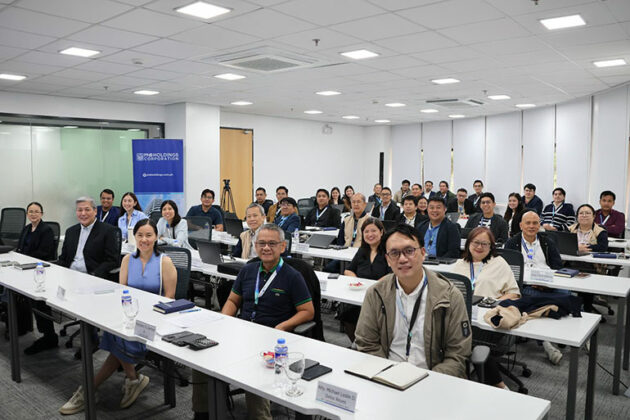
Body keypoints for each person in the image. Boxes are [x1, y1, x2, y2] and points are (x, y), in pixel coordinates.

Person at [194, 224, 314, 420]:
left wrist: (283, 327)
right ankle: (203, 413)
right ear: (255, 246)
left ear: (283, 246)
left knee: (255, 374)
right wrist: (223, 321)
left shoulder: (293, 276)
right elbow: (233, 301)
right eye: (261, 243)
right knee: (200, 358)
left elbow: (307, 312)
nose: (266, 248)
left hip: (272, 340)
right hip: (242, 334)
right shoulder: (248, 270)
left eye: (272, 243)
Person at [59, 219, 177, 415]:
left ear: (156, 237)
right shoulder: (127, 260)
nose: (144, 239)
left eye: (149, 235)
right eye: (140, 235)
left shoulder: (164, 262)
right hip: (130, 317)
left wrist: (144, 317)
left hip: (153, 321)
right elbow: (123, 294)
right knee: (114, 332)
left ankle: (89, 388)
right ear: (134, 237)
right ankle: (132, 379)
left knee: (117, 339)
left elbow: (169, 299)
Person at [355, 224, 472, 378]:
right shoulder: (376, 294)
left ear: (423, 253)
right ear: (388, 260)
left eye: (409, 251)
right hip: (386, 376)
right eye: (394, 253)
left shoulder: (450, 296)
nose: (402, 259)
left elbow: (458, 353)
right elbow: (366, 343)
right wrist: (387, 374)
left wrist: (426, 380)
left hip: (432, 379)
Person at [28, 197, 119, 356]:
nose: (83, 213)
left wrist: (93, 275)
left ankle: (91, 340)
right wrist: (53, 272)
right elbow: (64, 258)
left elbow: (112, 260)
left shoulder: (109, 231)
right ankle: (49, 336)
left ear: (95, 211)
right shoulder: (71, 231)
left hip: (92, 279)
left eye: (87, 209)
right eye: (79, 210)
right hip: (69, 277)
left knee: (85, 302)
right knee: (38, 294)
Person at [504, 210, 565, 364]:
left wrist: (546, 283)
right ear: (521, 225)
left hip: (548, 283)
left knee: (567, 295)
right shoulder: (512, 243)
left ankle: (568, 335)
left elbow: (558, 266)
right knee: (538, 301)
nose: (531, 226)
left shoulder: (547, 242)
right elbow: (508, 271)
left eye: (535, 223)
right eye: (528, 223)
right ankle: (546, 343)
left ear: (539, 225)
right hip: (524, 285)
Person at [340, 218, 391, 341]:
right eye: (366, 231)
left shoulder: (388, 251)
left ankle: (371, 344)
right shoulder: (362, 250)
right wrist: (358, 282)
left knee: (369, 318)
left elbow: (392, 274)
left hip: (382, 295)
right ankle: (358, 344)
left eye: (373, 231)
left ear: (381, 232)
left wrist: (374, 285)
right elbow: (348, 270)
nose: (370, 234)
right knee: (346, 315)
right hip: (361, 293)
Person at [15, 202, 56, 338]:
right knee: (16, 294)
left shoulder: (46, 230)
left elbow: (44, 253)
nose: (33, 214)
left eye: (36, 211)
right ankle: (22, 326)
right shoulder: (26, 228)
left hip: (39, 270)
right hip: (25, 267)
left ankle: (48, 334)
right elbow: (20, 248)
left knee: (38, 303)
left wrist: (25, 258)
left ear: (42, 214)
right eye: (30, 212)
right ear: (27, 214)